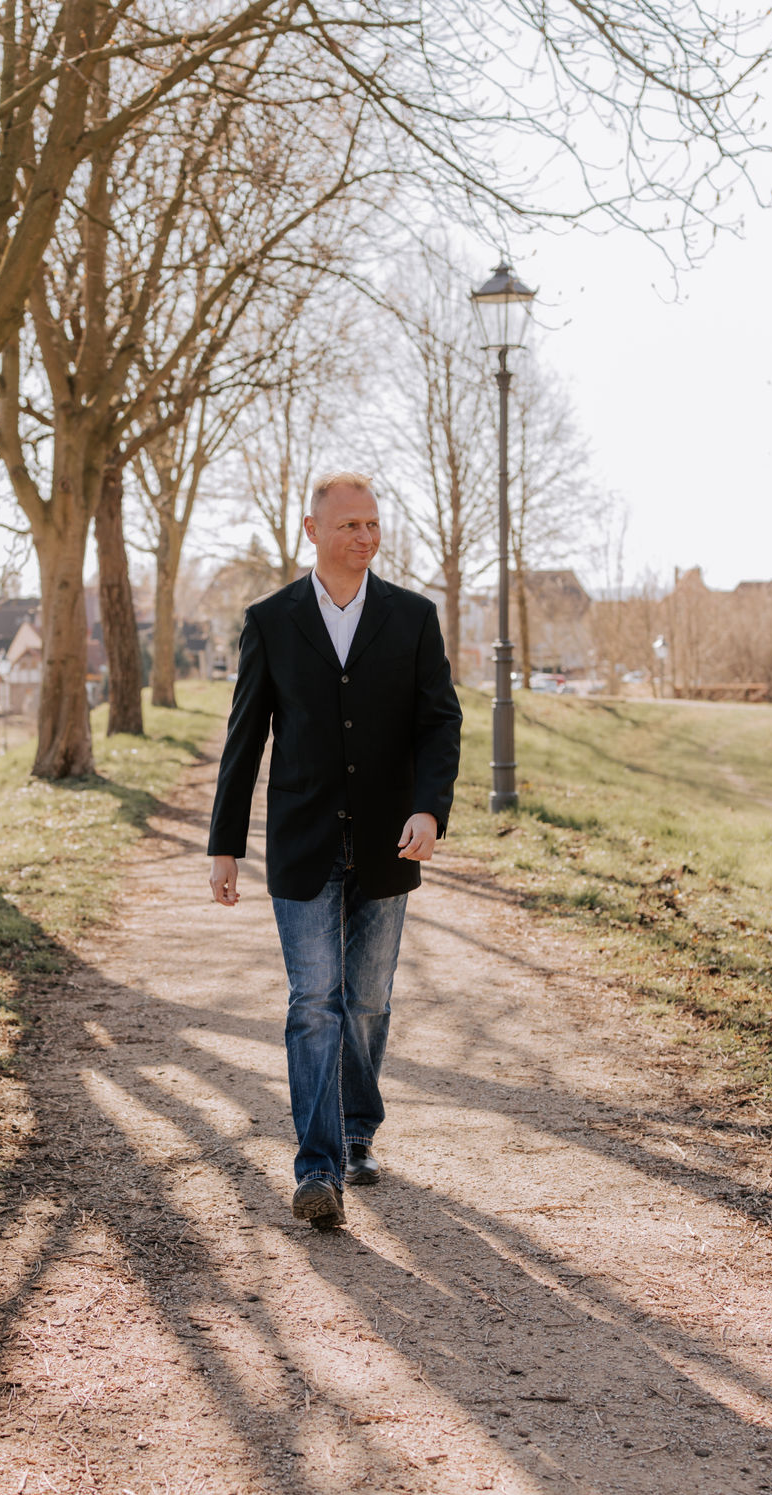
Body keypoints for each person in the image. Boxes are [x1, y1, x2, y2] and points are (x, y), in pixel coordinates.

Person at [208, 471, 462, 1230]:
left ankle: (357, 1134)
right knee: (312, 1002)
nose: (363, 536)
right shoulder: (271, 620)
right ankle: (316, 1170)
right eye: (348, 524)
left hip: (389, 840)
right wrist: (224, 846)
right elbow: (244, 738)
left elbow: (438, 723)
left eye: (372, 524)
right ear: (312, 531)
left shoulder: (412, 618)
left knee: (368, 1000)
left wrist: (429, 807)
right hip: (302, 840)